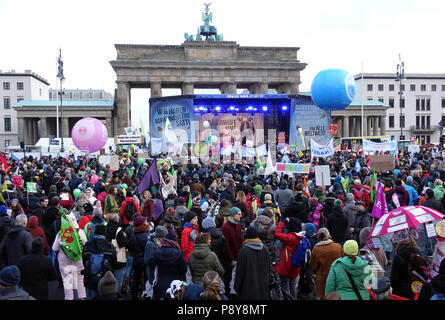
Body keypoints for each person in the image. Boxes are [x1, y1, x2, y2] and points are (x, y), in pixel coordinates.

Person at [52, 212, 88, 300]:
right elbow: (85, 244)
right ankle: (82, 296)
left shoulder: (61, 234)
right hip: (78, 259)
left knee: (67, 280)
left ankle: (69, 298)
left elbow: (54, 248)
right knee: (80, 278)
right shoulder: (80, 232)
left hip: (64, 261)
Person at [234, 225, 270, 300]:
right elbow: (268, 270)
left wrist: (236, 288)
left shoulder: (243, 251)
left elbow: (239, 272)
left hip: (247, 291)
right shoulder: (265, 249)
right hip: (263, 290)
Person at [148, 232, 188, 300]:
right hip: (176, 284)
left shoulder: (158, 252)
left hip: (161, 282)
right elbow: (184, 269)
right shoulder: (178, 253)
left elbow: (152, 264)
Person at [82, 224, 117, 299]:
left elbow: (83, 260)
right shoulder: (109, 245)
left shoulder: (87, 245)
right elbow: (114, 262)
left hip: (90, 276)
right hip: (105, 277)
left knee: (91, 296)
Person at [273, 217, 305, 299]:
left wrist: (282, 223)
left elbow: (277, 234)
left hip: (286, 265)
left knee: (285, 284)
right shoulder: (302, 237)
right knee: (293, 285)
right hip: (296, 266)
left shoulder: (290, 237)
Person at [221, 206, 243, 296]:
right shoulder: (226, 227)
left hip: (238, 254)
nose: (240, 216)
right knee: (228, 276)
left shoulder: (238, 225)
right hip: (228, 257)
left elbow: (240, 240)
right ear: (233, 215)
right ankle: (227, 293)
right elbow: (226, 245)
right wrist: (231, 259)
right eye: (239, 214)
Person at [105, 212, 129, 294]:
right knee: (118, 278)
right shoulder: (118, 229)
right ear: (117, 219)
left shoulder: (106, 227)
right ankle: (116, 294)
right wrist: (125, 237)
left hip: (107, 255)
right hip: (117, 257)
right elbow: (121, 243)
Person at [128, 215, 150, 300]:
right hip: (146, 259)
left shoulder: (133, 235)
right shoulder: (148, 235)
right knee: (147, 279)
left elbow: (130, 248)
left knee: (136, 278)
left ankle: (134, 295)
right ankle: (147, 294)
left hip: (136, 259)